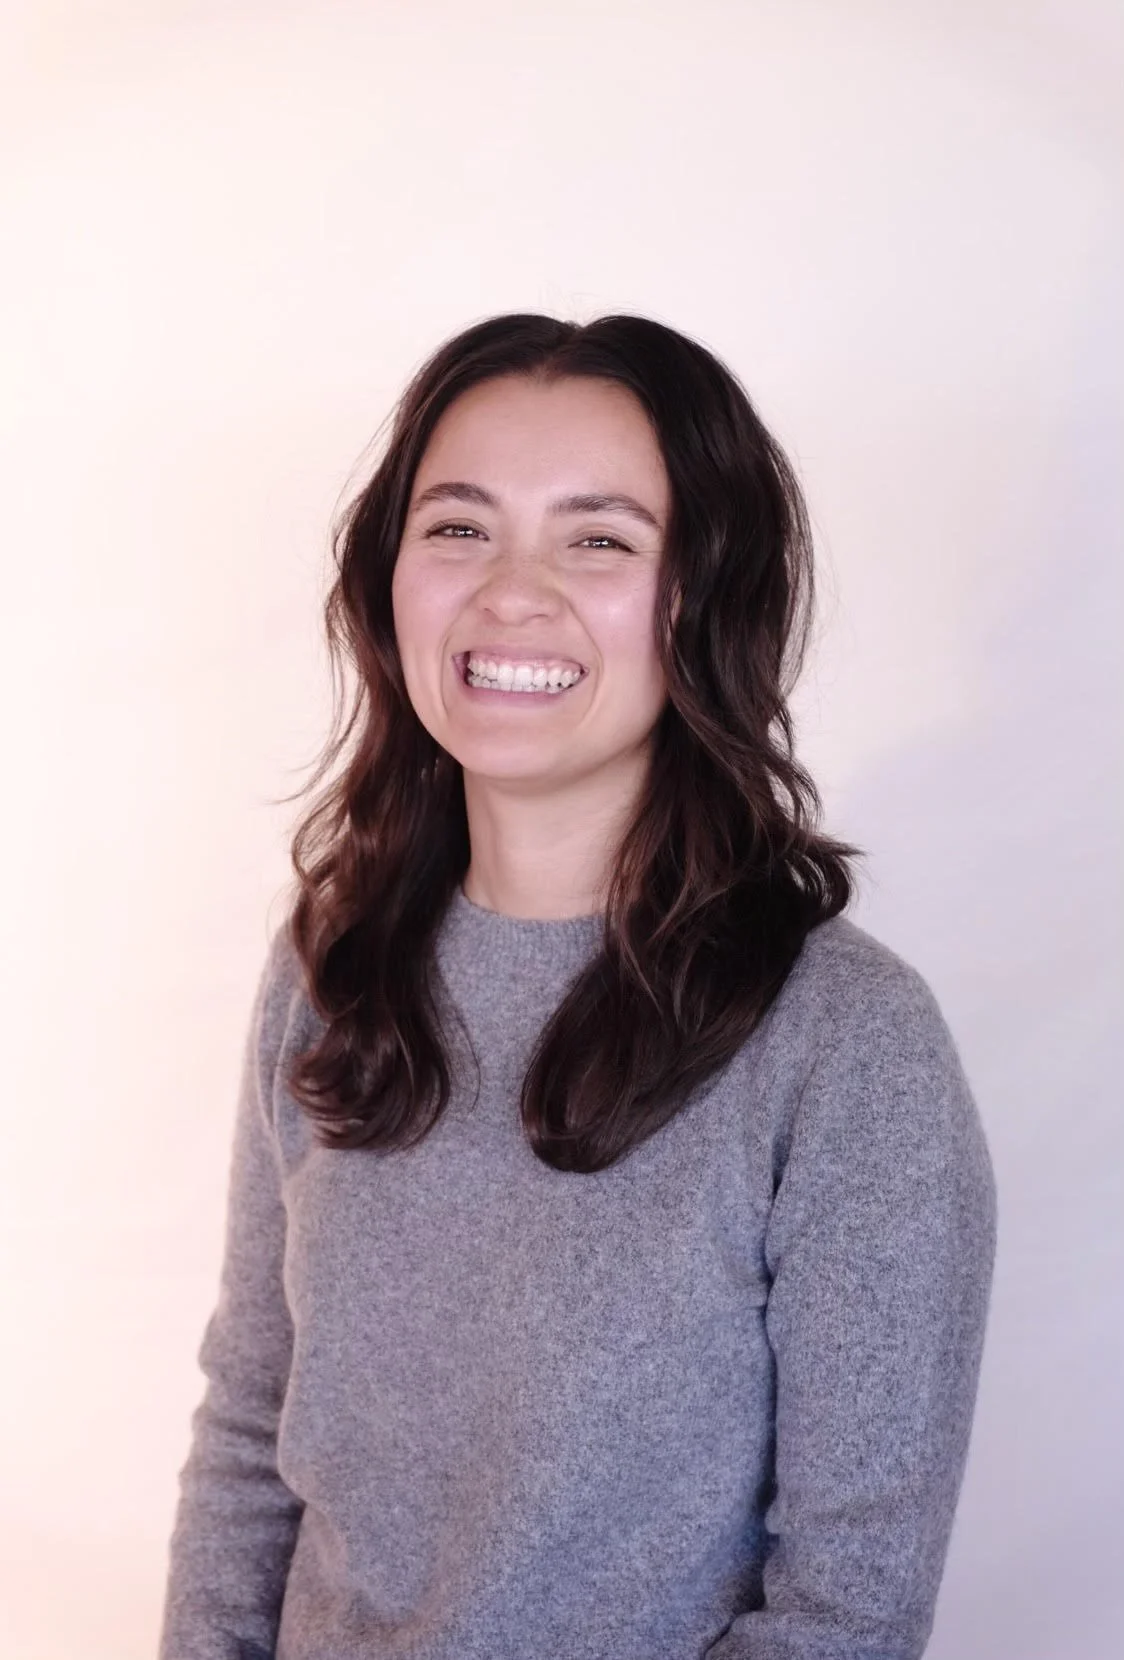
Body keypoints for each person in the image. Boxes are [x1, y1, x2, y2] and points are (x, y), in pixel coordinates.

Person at [157, 312, 997, 1660]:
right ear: (389, 579)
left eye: (598, 538)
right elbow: (254, 1429)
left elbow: (844, 1610)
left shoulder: (846, 1042)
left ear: (705, 597)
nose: (511, 593)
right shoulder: (331, 966)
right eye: (458, 527)